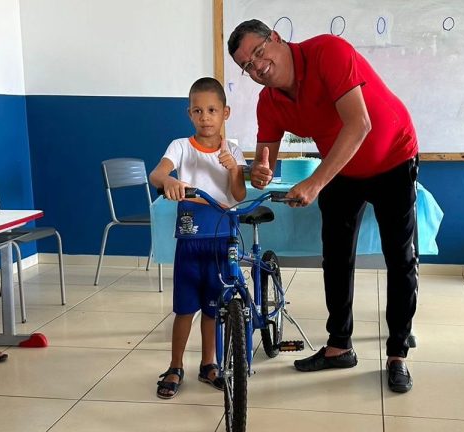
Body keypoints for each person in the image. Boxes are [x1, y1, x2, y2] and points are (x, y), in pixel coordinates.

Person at [228, 20, 419, 393]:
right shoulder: (270, 101)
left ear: (276, 38)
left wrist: (315, 182)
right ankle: (339, 346)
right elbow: (265, 160)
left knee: (399, 258)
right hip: (342, 168)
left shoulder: (327, 52)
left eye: (259, 52)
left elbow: (359, 124)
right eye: (247, 66)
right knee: (335, 256)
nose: (257, 66)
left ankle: (397, 353)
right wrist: (260, 171)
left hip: (393, 156)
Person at [150, 77, 247, 399]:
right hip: (191, 238)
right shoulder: (181, 146)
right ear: (189, 113)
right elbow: (157, 173)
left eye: (212, 110)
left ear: (225, 113)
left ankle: (209, 364)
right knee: (184, 307)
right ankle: (175, 365)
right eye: (198, 111)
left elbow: (238, 195)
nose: (205, 117)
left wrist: (234, 169)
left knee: (213, 306)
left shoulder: (233, 150)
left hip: (223, 239)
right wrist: (169, 181)